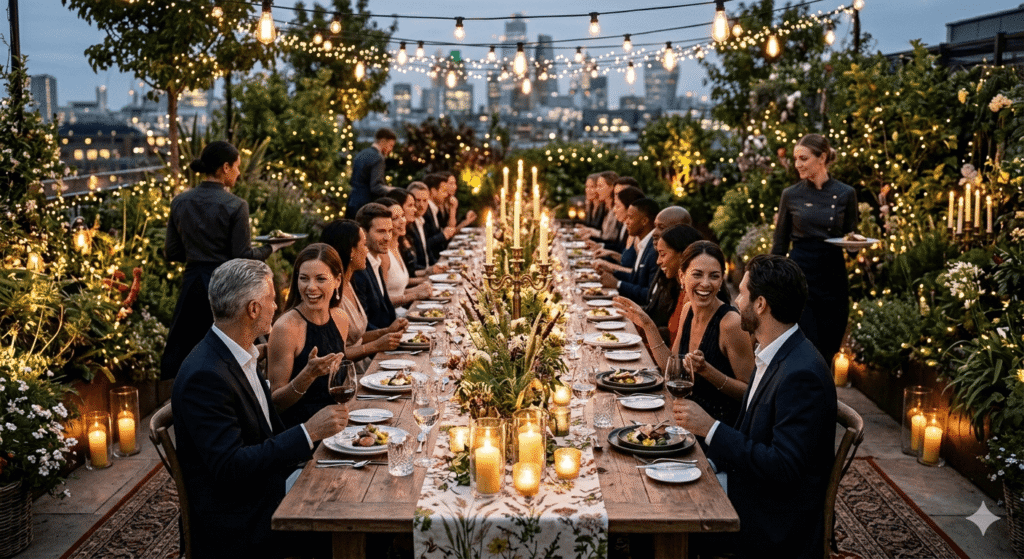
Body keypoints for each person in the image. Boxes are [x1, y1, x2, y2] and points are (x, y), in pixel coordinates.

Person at [172, 258, 347, 559]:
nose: (276, 308)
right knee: (348, 511)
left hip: (264, 483)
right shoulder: (206, 376)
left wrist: (305, 376)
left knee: (349, 477)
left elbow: (262, 421)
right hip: (239, 515)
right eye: (271, 300)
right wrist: (308, 432)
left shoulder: (239, 352)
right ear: (253, 309)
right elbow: (231, 467)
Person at [673, 254, 837, 559]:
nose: (736, 300)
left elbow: (783, 467)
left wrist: (710, 428)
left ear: (760, 304)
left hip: (774, 519)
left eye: (743, 293)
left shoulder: (802, 374)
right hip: (749, 486)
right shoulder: (775, 351)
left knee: (669, 514)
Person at [162, 140, 293, 380]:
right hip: (226, 289)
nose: (239, 172)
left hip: (192, 287)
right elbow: (242, 256)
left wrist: (197, 254)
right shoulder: (235, 205)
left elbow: (172, 252)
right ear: (225, 167)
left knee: (188, 352)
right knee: (231, 354)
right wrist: (271, 248)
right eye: (237, 166)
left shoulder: (180, 201)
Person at [771, 133, 857, 362]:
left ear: (822, 158)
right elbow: (779, 245)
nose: (797, 164)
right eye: (796, 158)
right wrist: (770, 282)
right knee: (805, 345)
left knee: (830, 344)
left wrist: (856, 244)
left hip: (833, 276)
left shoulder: (846, 194)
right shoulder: (790, 194)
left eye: (803, 158)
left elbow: (851, 242)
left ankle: (823, 395)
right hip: (801, 274)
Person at [267, 243, 348, 428]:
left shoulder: (341, 319)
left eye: (320, 279)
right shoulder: (285, 327)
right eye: (304, 278)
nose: (311, 287)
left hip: (338, 428)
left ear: (337, 281)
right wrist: (307, 375)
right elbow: (276, 403)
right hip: (302, 434)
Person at [320, 220, 405, 372]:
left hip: (366, 368)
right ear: (351, 251)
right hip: (350, 377)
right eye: (364, 245)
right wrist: (377, 345)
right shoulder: (331, 292)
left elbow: (355, 338)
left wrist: (386, 331)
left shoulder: (350, 283)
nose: (367, 250)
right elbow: (334, 354)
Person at [601, 197, 660, 305]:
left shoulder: (654, 249)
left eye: (630, 218)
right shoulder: (644, 243)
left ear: (644, 221)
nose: (626, 222)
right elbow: (635, 278)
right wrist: (612, 271)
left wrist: (618, 284)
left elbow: (649, 294)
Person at [375, 197, 431, 307]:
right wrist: (415, 294)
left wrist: (421, 285)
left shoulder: (396, 246)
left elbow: (398, 290)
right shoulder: (383, 256)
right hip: (394, 318)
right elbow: (383, 301)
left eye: (402, 216)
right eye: (395, 218)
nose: (402, 221)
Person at [352, 203, 398, 330]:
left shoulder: (376, 261)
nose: (388, 237)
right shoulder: (359, 269)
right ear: (363, 233)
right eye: (381, 231)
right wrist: (388, 333)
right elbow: (363, 325)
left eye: (390, 231)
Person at [346, 128, 397, 218]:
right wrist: (393, 190)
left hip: (352, 201)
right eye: (391, 145)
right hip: (366, 205)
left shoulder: (361, 153)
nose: (390, 150)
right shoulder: (378, 158)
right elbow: (376, 187)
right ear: (383, 141)